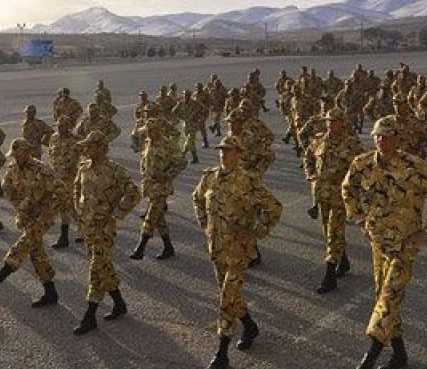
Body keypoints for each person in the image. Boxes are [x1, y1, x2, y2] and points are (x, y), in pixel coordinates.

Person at [342, 115, 427, 369]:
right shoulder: (362, 164)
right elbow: (347, 189)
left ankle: (370, 356)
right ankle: (400, 354)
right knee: (385, 298)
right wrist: (359, 220)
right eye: (377, 136)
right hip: (378, 243)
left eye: (387, 136)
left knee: (389, 297)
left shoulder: (414, 166)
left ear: (398, 139)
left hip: (404, 246)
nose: (381, 140)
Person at [193, 135, 282, 369]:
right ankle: (250, 326)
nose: (223, 154)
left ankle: (222, 352)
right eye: (221, 150)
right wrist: (204, 223)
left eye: (229, 150)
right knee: (230, 294)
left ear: (238, 154)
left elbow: (274, 208)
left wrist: (256, 232)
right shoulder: (209, 177)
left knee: (226, 297)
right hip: (216, 247)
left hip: (238, 251)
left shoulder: (248, 181)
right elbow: (197, 199)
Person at [0, 139, 63, 308]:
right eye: (14, 155)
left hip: (43, 215)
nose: (16, 158)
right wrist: (20, 205)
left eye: (19, 154)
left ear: (27, 152)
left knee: (24, 243)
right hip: (27, 215)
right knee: (36, 253)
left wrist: (48, 210)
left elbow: (61, 191)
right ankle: (51, 292)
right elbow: (7, 187)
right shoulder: (13, 168)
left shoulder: (42, 169)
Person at [71, 131, 141, 335]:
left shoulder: (115, 171)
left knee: (96, 267)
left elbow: (134, 193)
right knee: (103, 266)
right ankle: (119, 303)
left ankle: (90, 315)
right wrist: (79, 212)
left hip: (104, 229)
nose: (86, 149)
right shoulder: (83, 167)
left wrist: (116, 215)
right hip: (88, 228)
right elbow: (76, 190)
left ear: (101, 147)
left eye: (90, 146)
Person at [303, 108, 363, 294]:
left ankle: (329, 276)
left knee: (333, 232)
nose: (331, 124)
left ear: (342, 123)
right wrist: (311, 175)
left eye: (335, 121)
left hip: (340, 197)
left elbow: (362, 167)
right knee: (328, 230)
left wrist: (354, 190)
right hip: (322, 195)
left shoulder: (351, 143)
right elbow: (308, 157)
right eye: (329, 120)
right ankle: (342, 260)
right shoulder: (319, 139)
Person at [129, 119, 187, 260]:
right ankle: (168, 247)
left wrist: (167, 175)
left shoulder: (167, 144)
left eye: (152, 130)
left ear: (159, 130)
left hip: (162, 187)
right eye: (148, 130)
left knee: (150, 216)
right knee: (159, 217)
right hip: (150, 186)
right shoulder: (147, 143)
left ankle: (140, 247)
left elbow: (182, 162)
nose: (149, 133)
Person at [48, 115, 81, 249]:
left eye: (63, 126)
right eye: (59, 126)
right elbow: (51, 154)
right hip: (57, 177)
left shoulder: (75, 140)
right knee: (64, 204)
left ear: (68, 127)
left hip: (69, 177)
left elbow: (82, 156)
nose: (60, 128)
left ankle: (79, 230)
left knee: (71, 204)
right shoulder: (54, 137)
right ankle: (66, 236)